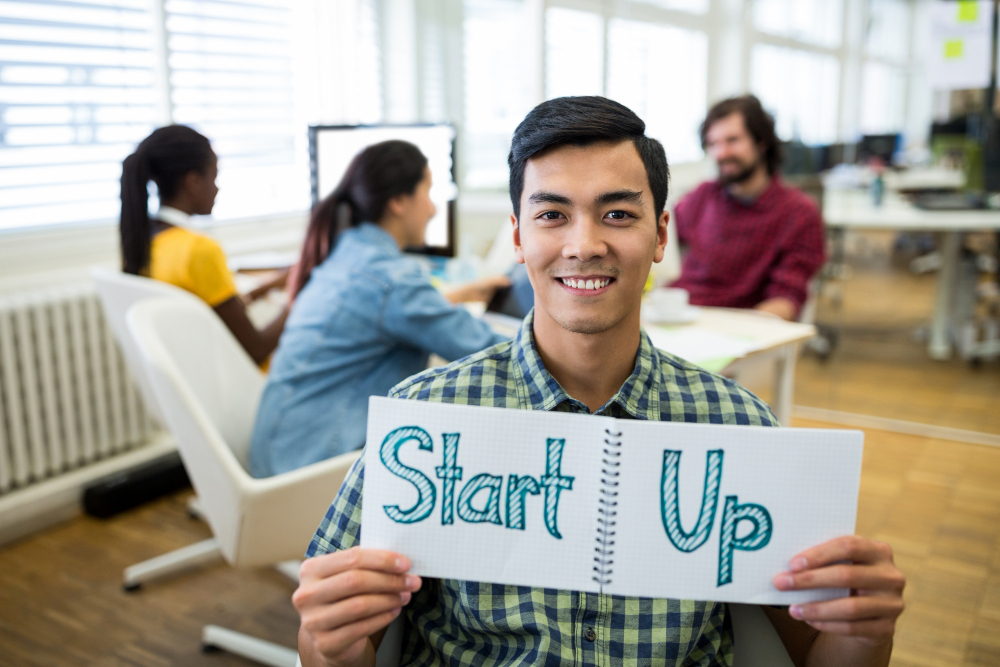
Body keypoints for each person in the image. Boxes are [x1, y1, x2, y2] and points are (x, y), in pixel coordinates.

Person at [292, 97, 904, 666]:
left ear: (661, 234)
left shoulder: (737, 427)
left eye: (617, 213)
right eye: (552, 215)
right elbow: (332, 644)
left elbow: (818, 652)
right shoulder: (427, 417)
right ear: (517, 236)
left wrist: (864, 632)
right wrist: (330, 640)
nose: (583, 245)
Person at [247, 140, 509, 478]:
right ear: (399, 201)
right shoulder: (390, 280)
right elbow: (488, 349)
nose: (431, 209)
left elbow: (386, 312)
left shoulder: (349, 256)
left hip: (278, 454)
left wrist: (461, 294)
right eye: (427, 192)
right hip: (312, 471)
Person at [119, 125, 288, 366]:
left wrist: (268, 285)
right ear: (194, 181)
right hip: (249, 383)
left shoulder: (146, 242)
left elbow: (215, 311)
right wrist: (300, 297)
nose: (217, 188)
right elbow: (257, 349)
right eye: (214, 176)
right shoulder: (198, 250)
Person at [670, 95, 825, 321]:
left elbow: (786, 300)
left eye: (732, 140)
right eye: (714, 144)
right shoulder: (704, 195)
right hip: (678, 316)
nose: (721, 154)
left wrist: (728, 334)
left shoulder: (799, 213)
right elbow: (656, 236)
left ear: (761, 142)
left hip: (736, 328)